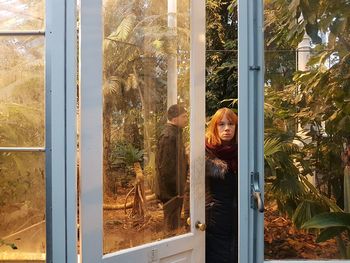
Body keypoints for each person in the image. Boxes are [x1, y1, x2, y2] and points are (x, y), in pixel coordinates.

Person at [205, 107, 238, 263]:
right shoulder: (204, 153)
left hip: (240, 217)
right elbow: (191, 189)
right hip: (214, 220)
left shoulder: (245, 152)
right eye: (221, 124)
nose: (227, 128)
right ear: (214, 127)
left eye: (231, 124)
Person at [155, 104, 188, 232]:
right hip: (171, 192)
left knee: (174, 224)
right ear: (175, 119)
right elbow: (165, 168)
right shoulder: (169, 136)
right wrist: (173, 193)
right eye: (184, 116)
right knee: (171, 228)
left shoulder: (176, 133)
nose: (186, 119)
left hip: (175, 189)